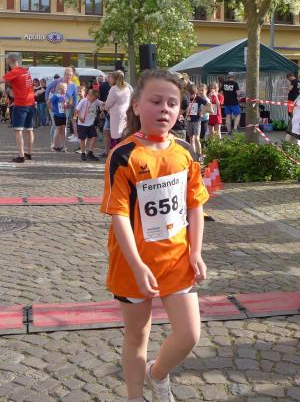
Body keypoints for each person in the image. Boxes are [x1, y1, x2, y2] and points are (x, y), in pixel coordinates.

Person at [101, 69, 208, 402]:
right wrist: (136, 265)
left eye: (172, 103)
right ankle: (135, 397)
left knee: (189, 334)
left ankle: (157, 373)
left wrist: (195, 252)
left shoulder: (185, 151)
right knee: (137, 335)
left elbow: (195, 205)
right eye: (156, 101)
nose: (165, 109)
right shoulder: (123, 155)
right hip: (132, 263)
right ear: (136, 105)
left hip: (176, 259)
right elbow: (119, 214)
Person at [0, 53, 36, 163]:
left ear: (8, 62)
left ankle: (21, 156)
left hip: (21, 104)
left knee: (18, 130)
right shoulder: (25, 71)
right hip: (30, 103)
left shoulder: (14, 72)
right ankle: (29, 153)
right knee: (29, 129)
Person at [104, 70, 131, 149]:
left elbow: (108, 103)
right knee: (123, 132)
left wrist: (104, 108)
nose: (109, 80)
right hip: (125, 113)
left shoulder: (114, 89)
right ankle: (123, 150)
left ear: (114, 79)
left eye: (110, 78)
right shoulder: (127, 88)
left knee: (115, 134)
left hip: (116, 114)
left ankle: (115, 151)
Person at [77, 88, 103, 161]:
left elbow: (103, 104)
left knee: (94, 136)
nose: (93, 99)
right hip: (82, 124)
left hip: (90, 124)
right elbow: (77, 110)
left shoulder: (96, 101)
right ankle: (83, 153)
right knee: (83, 139)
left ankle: (90, 153)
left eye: (95, 98)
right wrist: (80, 117)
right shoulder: (83, 101)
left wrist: (102, 109)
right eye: (92, 97)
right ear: (88, 95)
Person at [186, 84, 209, 157]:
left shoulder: (198, 98)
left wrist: (202, 112)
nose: (191, 96)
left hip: (197, 120)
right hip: (189, 120)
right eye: (190, 94)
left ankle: (199, 155)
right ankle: (193, 155)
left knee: (197, 138)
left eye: (192, 94)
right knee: (191, 139)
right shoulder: (187, 98)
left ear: (195, 92)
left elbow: (209, 105)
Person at [49, 83, 69, 152]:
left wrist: (65, 104)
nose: (66, 90)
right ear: (60, 89)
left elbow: (65, 106)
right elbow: (49, 102)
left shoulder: (64, 96)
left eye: (66, 88)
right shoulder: (56, 96)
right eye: (65, 88)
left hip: (63, 115)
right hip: (57, 115)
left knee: (63, 130)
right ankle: (54, 146)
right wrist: (52, 109)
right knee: (57, 130)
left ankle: (63, 145)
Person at [63, 66, 80, 143]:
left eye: (70, 75)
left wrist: (76, 108)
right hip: (61, 107)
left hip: (70, 106)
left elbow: (75, 97)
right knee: (63, 123)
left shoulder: (73, 85)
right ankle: (62, 140)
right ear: (64, 74)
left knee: (73, 120)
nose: (68, 76)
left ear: (72, 76)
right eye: (67, 74)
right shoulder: (60, 83)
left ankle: (76, 136)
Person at [99, 72, 113, 149]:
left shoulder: (114, 88)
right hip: (108, 111)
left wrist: (103, 109)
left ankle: (110, 149)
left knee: (107, 130)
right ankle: (108, 149)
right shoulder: (106, 86)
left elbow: (108, 101)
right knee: (106, 130)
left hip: (111, 112)